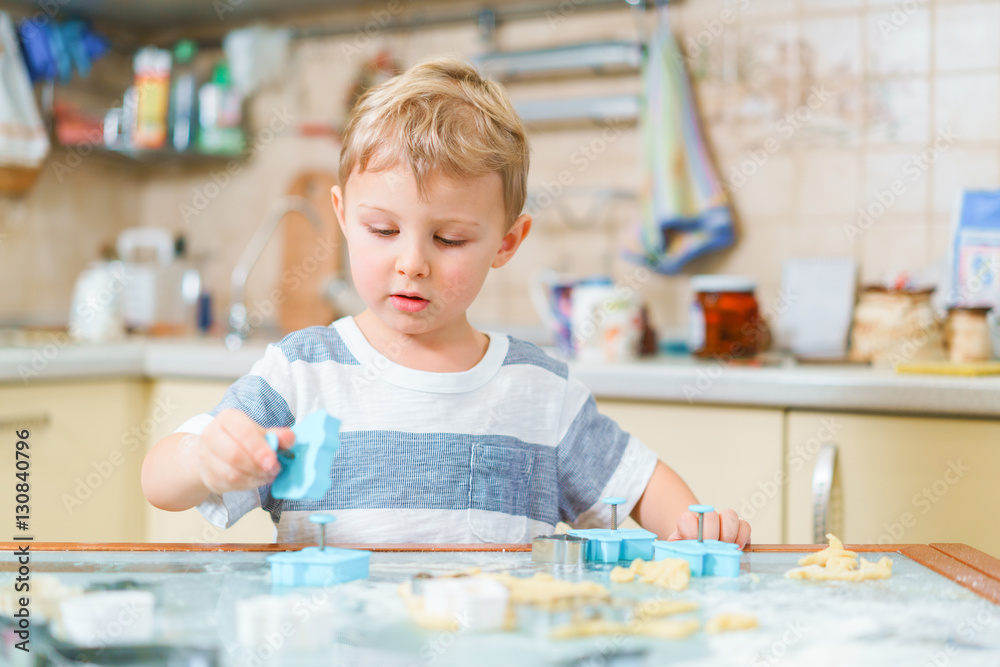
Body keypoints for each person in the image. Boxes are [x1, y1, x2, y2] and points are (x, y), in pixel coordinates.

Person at [141, 55, 751, 548]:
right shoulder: (302, 372)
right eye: (383, 230)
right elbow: (160, 480)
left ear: (506, 243)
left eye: (449, 238)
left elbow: (639, 483)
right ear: (342, 218)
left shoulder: (539, 391)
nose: (412, 262)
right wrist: (207, 460)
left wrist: (695, 522)